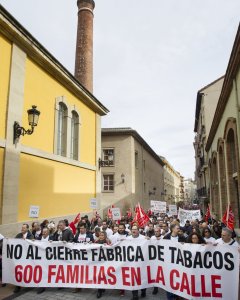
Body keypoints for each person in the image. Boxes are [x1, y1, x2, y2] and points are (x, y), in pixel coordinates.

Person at [127, 225, 146, 300]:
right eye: (132, 229)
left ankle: (143, 290)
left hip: (142, 263)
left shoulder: (143, 238)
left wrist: (149, 240)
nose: (134, 231)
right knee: (133, 279)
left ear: (138, 230)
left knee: (142, 278)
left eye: (135, 229)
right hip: (132, 263)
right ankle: (135, 295)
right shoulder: (127, 239)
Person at [14, 224, 34, 293]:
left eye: (24, 228)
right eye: (22, 228)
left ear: (27, 229)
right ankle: (17, 286)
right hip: (19, 257)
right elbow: (13, 242)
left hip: (27, 257)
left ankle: (28, 284)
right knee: (18, 271)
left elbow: (32, 243)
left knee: (27, 271)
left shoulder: (31, 236)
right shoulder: (18, 235)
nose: (22, 229)